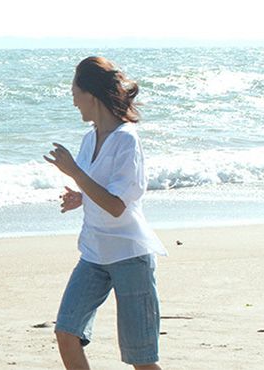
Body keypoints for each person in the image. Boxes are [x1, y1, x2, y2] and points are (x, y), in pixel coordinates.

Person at [43, 56, 168, 370]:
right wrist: (81, 198)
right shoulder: (89, 139)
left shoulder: (126, 141)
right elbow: (101, 190)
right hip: (95, 254)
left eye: (75, 96)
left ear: (91, 95)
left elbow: (116, 205)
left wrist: (74, 173)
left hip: (129, 255)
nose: (74, 105)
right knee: (66, 333)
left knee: (141, 360)